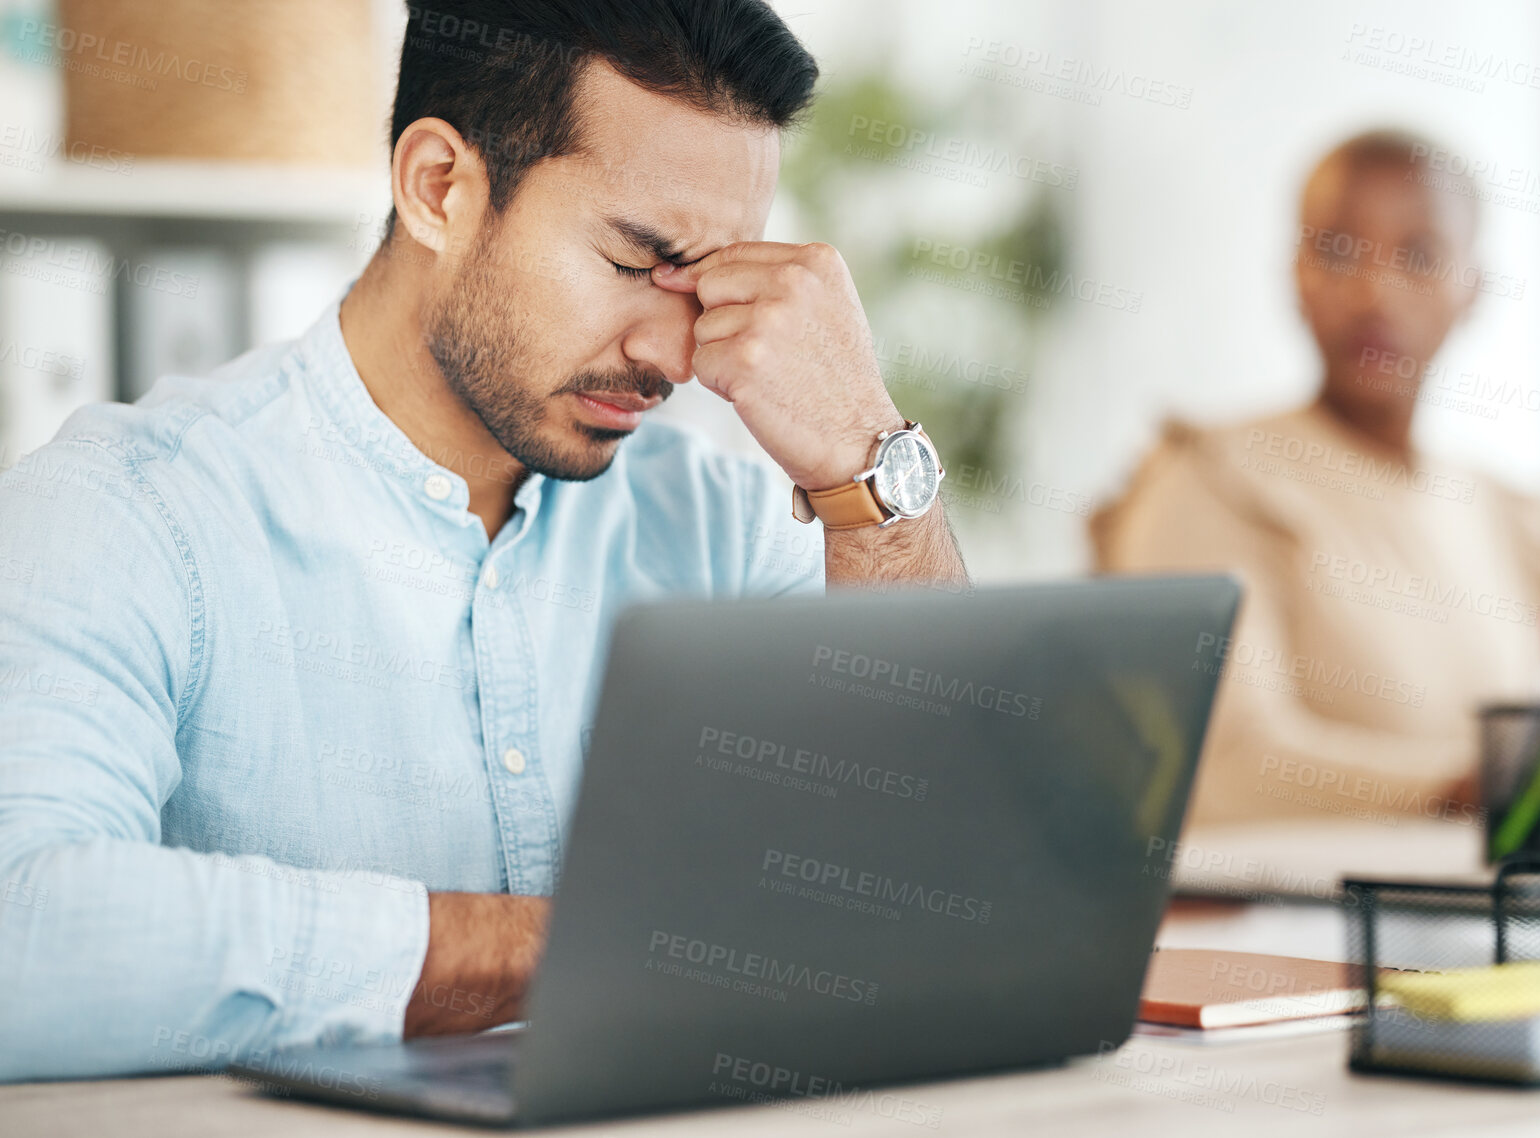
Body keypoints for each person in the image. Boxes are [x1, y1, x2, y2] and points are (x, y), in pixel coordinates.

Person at [0, 0, 965, 1081]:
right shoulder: (126, 513)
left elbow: (948, 877)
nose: (674, 352)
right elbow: (20, 932)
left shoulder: (725, 521)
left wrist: (869, 465)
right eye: (637, 260)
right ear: (439, 188)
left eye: (711, 281)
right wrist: (587, 946)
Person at [1091, 129, 1540, 831]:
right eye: (1338, 250)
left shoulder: (1504, 515)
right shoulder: (1211, 478)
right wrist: (1473, 786)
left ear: (1473, 290)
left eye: (1420, 255)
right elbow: (1224, 767)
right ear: (1295, 273)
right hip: (1290, 934)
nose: (1375, 291)